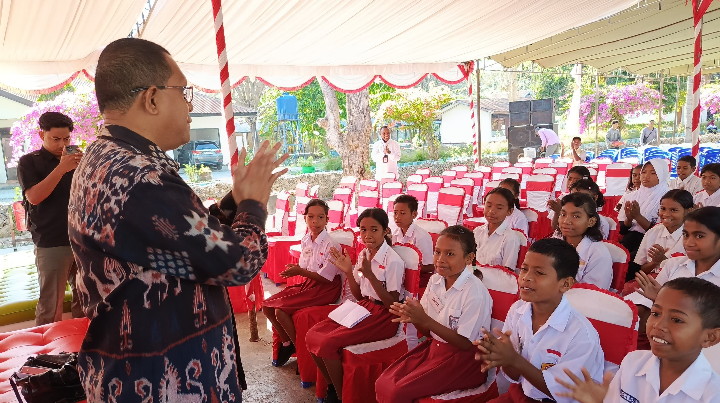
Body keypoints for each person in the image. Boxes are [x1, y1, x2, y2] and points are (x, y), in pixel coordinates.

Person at [68, 38, 287, 401]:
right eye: (183, 92)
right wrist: (253, 205)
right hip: (162, 381)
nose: (190, 105)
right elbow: (236, 263)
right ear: (152, 98)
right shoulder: (140, 176)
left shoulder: (107, 155)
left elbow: (183, 239)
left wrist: (233, 202)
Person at [475, 238, 605, 403]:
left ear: (565, 284)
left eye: (539, 273)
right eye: (524, 269)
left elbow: (564, 394)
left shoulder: (582, 335)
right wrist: (501, 357)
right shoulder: (518, 310)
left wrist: (514, 359)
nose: (526, 277)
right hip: (519, 394)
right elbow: (514, 376)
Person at [375, 226, 492, 403]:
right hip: (435, 348)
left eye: (450, 254)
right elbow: (427, 330)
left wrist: (425, 320)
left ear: (469, 258)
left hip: (464, 361)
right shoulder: (435, 280)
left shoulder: (475, 293)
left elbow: (466, 344)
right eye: (437, 252)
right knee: (383, 382)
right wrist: (414, 318)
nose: (440, 259)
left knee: (397, 391)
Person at [557, 277, 720, 403]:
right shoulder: (633, 362)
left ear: (710, 337)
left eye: (677, 320)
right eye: (655, 313)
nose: (658, 325)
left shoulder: (712, 395)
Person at [306, 208, 404, 403]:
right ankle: (333, 384)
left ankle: (341, 396)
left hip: (384, 316)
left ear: (385, 230)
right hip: (364, 307)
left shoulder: (393, 260)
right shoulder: (364, 254)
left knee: (328, 343)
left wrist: (370, 276)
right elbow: (359, 295)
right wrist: (349, 272)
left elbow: (392, 304)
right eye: (363, 230)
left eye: (374, 229)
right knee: (312, 335)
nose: (367, 235)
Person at [17, 111, 84, 325]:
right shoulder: (29, 162)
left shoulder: (76, 160)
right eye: (55, 139)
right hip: (51, 240)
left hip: (82, 238)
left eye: (66, 139)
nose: (62, 144)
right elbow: (34, 197)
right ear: (41, 135)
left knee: (85, 300)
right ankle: (45, 347)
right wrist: (61, 169)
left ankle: (84, 343)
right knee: (50, 305)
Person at [626, 207, 720, 350]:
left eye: (699, 236)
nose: (689, 243)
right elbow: (651, 299)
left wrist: (663, 299)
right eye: (685, 235)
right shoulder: (674, 264)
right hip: (667, 336)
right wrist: (658, 299)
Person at [262, 199, 342, 367]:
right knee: (267, 306)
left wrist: (299, 272)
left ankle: (301, 351)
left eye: (320, 217)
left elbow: (326, 278)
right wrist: (296, 269)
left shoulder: (331, 245)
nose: (315, 222)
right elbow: (305, 267)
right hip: (309, 284)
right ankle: (287, 343)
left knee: (280, 312)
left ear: (327, 220)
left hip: (326, 289)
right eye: (310, 217)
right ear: (305, 218)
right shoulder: (306, 239)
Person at [618, 159, 670, 280]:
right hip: (630, 238)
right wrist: (629, 219)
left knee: (630, 263)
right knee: (614, 256)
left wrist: (638, 216)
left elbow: (660, 230)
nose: (646, 176)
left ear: (662, 174)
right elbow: (622, 229)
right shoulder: (631, 196)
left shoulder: (668, 197)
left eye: (653, 173)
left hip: (653, 241)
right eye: (644, 172)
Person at [627, 189, 691, 284]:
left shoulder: (692, 236)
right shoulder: (653, 232)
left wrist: (664, 261)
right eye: (663, 208)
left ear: (688, 211)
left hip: (679, 285)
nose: (666, 214)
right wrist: (654, 263)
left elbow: (692, 273)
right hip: (651, 282)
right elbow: (641, 269)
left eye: (674, 210)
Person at [556, 193, 613, 289]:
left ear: (591, 222)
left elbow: (593, 293)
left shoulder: (598, 253)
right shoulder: (554, 244)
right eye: (563, 214)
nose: (566, 221)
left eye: (576, 216)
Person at [473, 188, 522, 270]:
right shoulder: (477, 231)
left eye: (499, 208)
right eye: (488, 206)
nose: (491, 211)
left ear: (509, 211)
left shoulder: (510, 238)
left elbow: (507, 272)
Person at [391, 194, 434, 286]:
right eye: (395, 213)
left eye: (402, 213)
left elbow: (429, 267)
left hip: (418, 278)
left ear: (414, 214)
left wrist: (405, 267)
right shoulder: (396, 233)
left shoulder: (421, 236)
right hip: (402, 275)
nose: (397, 217)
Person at [548, 165, 591, 230]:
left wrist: (560, 211)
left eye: (576, 180)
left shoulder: (588, 200)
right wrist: (557, 212)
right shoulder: (563, 197)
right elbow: (554, 227)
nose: (571, 182)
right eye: (570, 179)